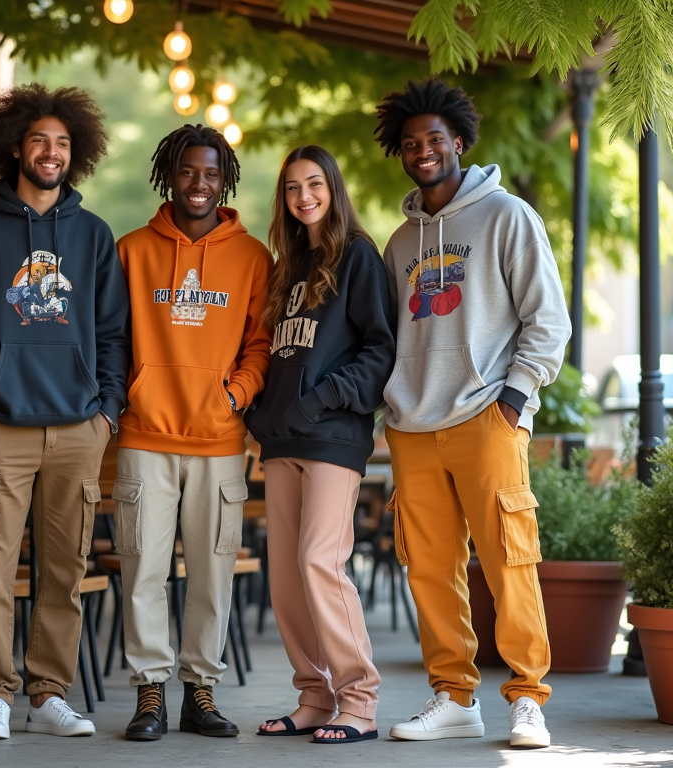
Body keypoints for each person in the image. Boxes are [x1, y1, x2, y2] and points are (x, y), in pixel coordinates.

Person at [373, 79, 571, 748]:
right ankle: (453, 695)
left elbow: (548, 319)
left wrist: (515, 400)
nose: (423, 150)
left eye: (434, 139)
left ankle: (527, 698)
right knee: (429, 569)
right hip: (412, 426)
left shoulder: (508, 216)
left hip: (486, 415)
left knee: (510, 559)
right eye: (410, 143)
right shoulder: (400, 242)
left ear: (459, 142)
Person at [0, 83, 130, 740]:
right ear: (15, 148)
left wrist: (106, 412)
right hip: (0, 425)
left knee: (65, 567)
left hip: (78, 426)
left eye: (61, 143)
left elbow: (114, 332)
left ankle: (49, 692)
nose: (50, 152)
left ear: (74, 152)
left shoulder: (91, 234)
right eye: (38, 141)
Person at [114, 124, 272, 741]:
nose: (198, 184)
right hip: (144, 434)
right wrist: (129, 390)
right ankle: (150, 692)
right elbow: (113, 339)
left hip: (219, 439)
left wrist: (235, 391)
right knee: (143, 570)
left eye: (210, 173)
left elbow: (260, 345)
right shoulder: (131, 250)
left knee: (212, 572)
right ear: (169, 175)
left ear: (224, 179)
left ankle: (199, 691)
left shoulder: (254, 257)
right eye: (187, 171)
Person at [246, 145, 394, 745]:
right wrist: (264, 412)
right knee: (285, 576)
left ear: (333, 189)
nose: (303, 196)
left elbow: (380, 349)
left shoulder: (358, 256)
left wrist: (324, 396)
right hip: (281, 440)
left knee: (318, 562)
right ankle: (315, 695)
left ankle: (358, 699)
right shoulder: (288, 266)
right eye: (291, 188)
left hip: (334, 436)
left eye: (314, 185)